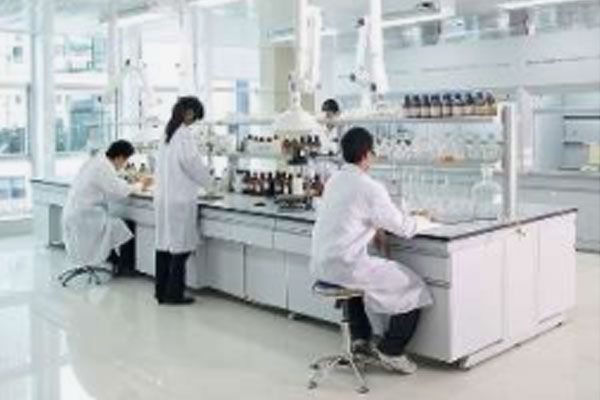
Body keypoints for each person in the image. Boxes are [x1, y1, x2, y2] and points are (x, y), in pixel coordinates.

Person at [310, 127, 438, 374]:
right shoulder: (369, 186)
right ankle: (392, 350)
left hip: (323, 265)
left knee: (355, 288)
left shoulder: (335, 180)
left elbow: (351, 213)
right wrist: (427, 220)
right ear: (367, 154)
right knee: (412, 285)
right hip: (347, 266)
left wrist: (376, 225)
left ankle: (360, 340)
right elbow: (404, 227)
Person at [154, 96, 212, 305]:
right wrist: (209, 182)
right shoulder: (184, 135)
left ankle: (161, 291)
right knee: (180, 248)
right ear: (188, 113)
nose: (194, 120)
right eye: (195, 116)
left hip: (165, 198)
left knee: (164, 247)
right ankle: (174, 294)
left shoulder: (167, 134)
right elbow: (192, 164)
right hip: (179, 200)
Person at [63, 140, 152, 275]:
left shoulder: (97, 161)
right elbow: (118, 190)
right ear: (120, 157)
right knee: (123, 227)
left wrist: (132, 184)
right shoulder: (103, 167)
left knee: (116, 226)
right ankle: (124, 268)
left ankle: (117, 264)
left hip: (77, 213)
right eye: (126, 161)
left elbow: (112, 184)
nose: (124, 165)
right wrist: (140, 185)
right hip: (86, 217)